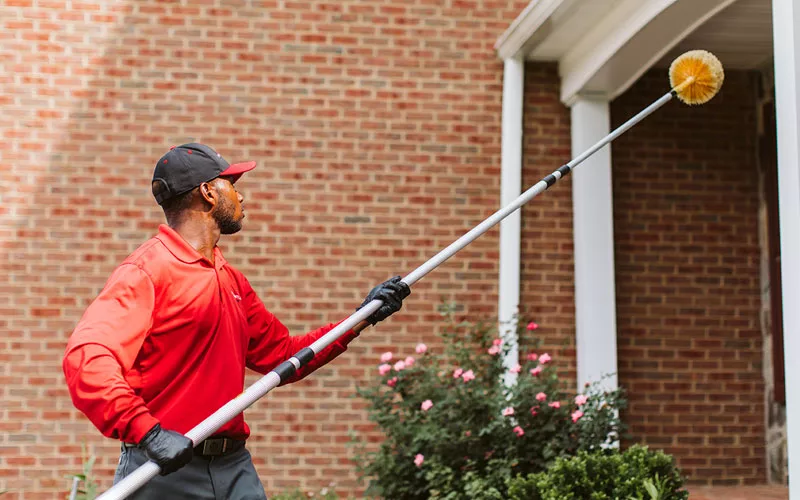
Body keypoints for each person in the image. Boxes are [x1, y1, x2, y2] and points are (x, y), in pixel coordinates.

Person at [62, 143, 410, 499]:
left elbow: (283, 354)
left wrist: (360, 318)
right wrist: (146, 431)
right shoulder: (147, 272)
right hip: (163, 470)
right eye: (232, 184)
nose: (241, 196)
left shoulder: (230, 279)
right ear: (208, 192)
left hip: (233, 468)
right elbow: (87, 358)